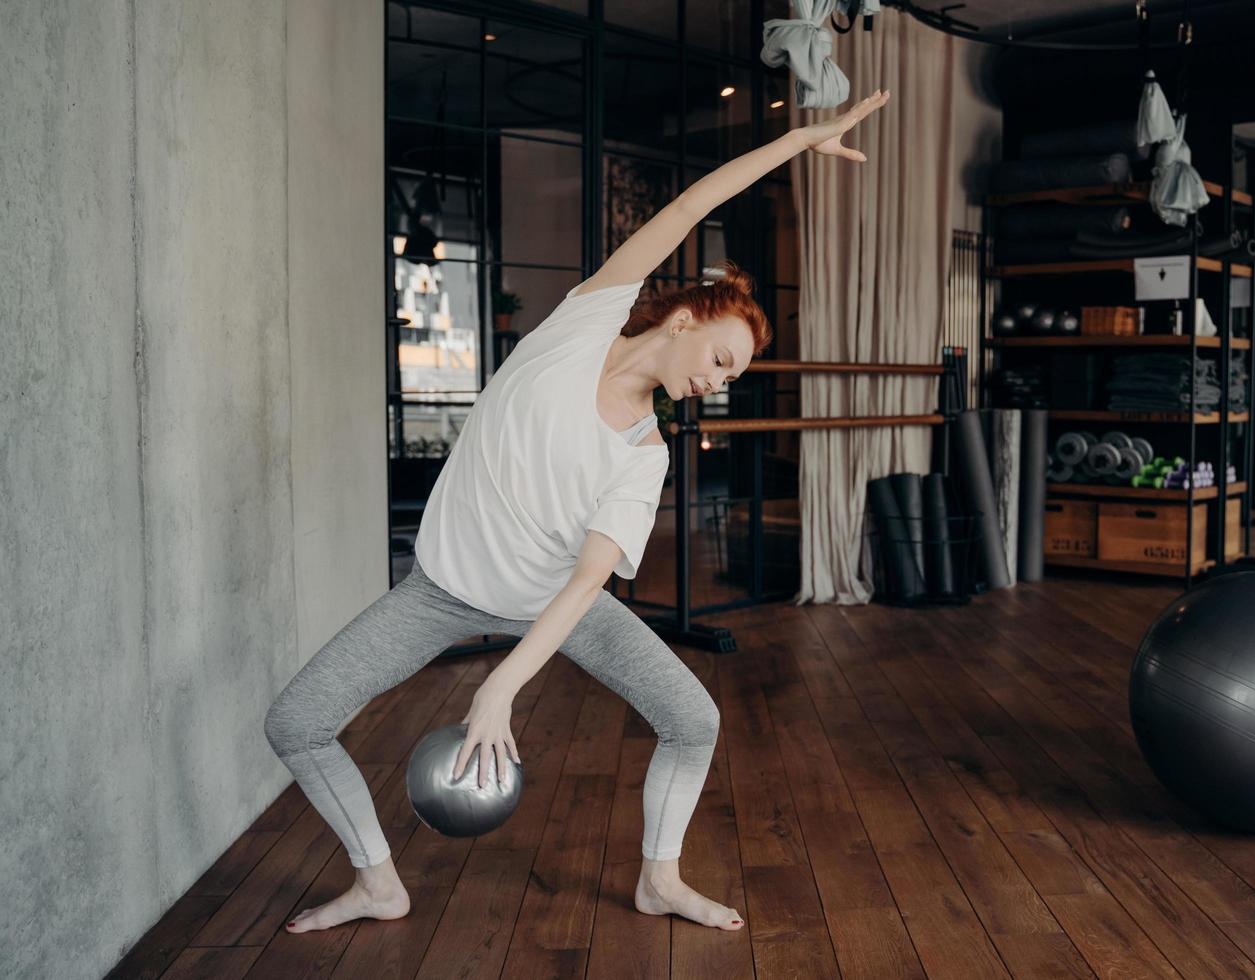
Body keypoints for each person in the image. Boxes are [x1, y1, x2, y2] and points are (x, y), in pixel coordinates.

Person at [262, 88, 891, 935]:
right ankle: (379, 881)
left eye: (733, 377)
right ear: (682, 317)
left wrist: (502, 685)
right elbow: (695, 201)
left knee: (693, 718)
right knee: (297, 722)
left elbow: (590, 577)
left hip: (560, 603)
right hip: (440, 590)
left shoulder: (646, 455)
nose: (719, 380)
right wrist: (800, 142)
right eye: (719, 357)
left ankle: (659, 878)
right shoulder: (581, 324)